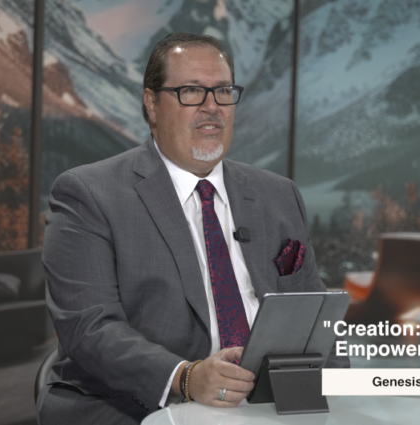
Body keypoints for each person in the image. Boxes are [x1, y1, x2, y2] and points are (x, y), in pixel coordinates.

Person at [37, 33, 340, 425]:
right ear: (151, 104)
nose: (212, 107)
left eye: (223, 91)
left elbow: (317, 319)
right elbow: (88, 329)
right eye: (192, 91)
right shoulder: (88, 194)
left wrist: (339, 391)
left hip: (267, 406)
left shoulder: (280, 195)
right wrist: (187, 378)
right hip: (134, 407)